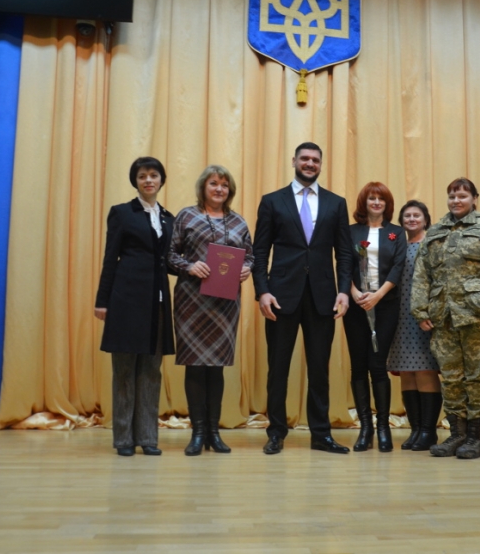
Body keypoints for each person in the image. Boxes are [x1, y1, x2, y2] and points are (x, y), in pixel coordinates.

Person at [252, 142, 354, 455]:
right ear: (294, 161)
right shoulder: (272, 201)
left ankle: (321, 434)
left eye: (315, 160)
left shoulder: (336, 203)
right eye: (305, 159)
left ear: (321, 164)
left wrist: (343, 290)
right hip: (281, 296)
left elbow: (345, 252)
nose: (309, 164)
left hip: (324, 297)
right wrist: (262, 291)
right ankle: (276, 432)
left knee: (319, 369)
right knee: (277, 368)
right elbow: (259, 251)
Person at [411, 178, 480, 459]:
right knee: (451, 379)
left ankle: (476, 438)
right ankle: (457, 435)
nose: (456, 200)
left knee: (478, 378)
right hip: (444, 318)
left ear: (474, 199)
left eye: (462, 195)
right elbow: (422, 274)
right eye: (452, 196)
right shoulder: (435, 232)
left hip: (479, 318)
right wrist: (420, 310)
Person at [167, 165, 253, 456]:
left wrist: (247, 268)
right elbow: (169, 254)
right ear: (203, 187)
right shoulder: (186, 216)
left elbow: (250, 256)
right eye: (214, 183)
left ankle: (214, 433)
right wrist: (189, 266)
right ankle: (197, 432)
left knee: (216, 366)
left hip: (225, 304)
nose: (219, 189)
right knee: (195, 364)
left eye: (224, 185)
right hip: (192, 300)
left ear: (230, 191)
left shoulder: (239, 222)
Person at [94, 157, 175, 457]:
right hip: (126, 301)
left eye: (154, 175)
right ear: (136, 181)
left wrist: (198, 267)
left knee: (152, 371)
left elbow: (171, 262)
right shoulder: (121, 213)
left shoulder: (169, 218)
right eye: (142, 176)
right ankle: (124, 439)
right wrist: (102, 301)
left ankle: (149, 438)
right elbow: (109, 258)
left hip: (157, 305)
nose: (148, 180)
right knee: (125, 371)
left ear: (161, 180)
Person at [345, 183, 407, 452]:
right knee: (358, 365)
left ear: (387, 204)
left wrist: (377, 296)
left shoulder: (396, 233)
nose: (376, 202)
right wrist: (356, 293)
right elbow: (343, 264)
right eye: (372, 198)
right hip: (356, 305)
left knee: (377, 364)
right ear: (364, 202)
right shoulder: (350, 231)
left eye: (381, 199)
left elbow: (398, 267)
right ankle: (365, 428)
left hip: (385, 306)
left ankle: (383, 428)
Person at [386, 200, 442, 452]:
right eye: (406, 215)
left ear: (425, 219)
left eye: (416, 215)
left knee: (424, 370)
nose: (411, 219)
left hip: (424, 316)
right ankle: (416, 429)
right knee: (406, 371)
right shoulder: (397, 244)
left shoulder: (432, 244)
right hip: (398, 316)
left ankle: (429, 431)